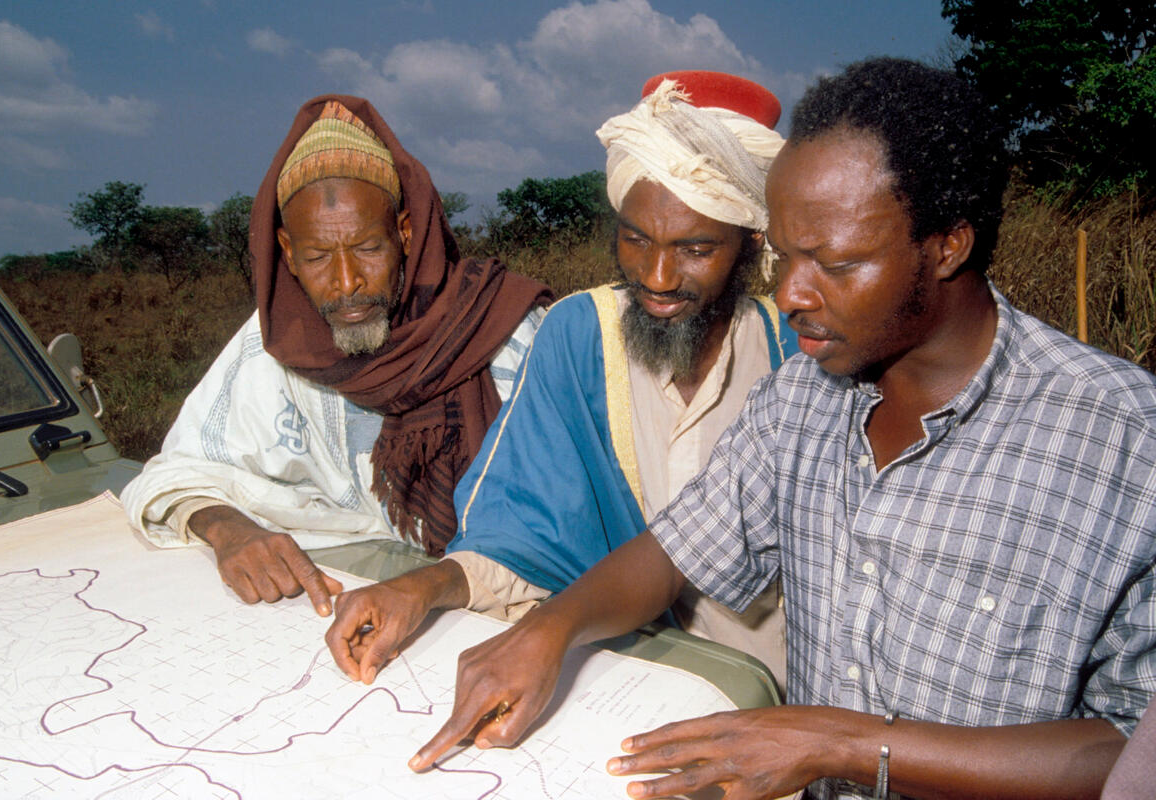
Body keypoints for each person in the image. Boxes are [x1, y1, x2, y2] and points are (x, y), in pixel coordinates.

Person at [402, 58, 1156, 799]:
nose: (791, 294)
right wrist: (551, 630)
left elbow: (1131, 752)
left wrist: (840, 744)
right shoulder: (801, 398)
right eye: (785, 257)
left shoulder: (1125, 442)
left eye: (833, 261)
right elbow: (673, 554)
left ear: (948, 245)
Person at [324, 71, 797, 691]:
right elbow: (521, 526)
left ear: (751, 241)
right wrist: (426, 585)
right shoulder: (579, 335)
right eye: (635, 239)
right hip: (628, 679)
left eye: (696, 248)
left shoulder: (796, 350)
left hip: (777, 689)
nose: (655, 276)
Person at [121, 96, 551, 616]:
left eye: (369, 249)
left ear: (405, 235)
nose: (347, 284)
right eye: (319, 257)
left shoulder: (504, 330)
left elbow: (570, 519)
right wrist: (229, 530)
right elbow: (177, 470)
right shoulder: (273, 344)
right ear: (287, 252)